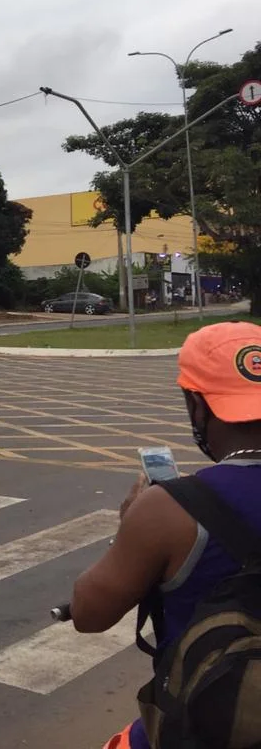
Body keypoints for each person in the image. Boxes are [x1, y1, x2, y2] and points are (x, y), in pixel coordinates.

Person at [70, 321, 261, 749]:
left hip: (205, 726)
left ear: (197, 405)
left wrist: (128, 527)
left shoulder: (169, 508)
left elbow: (88, 615)